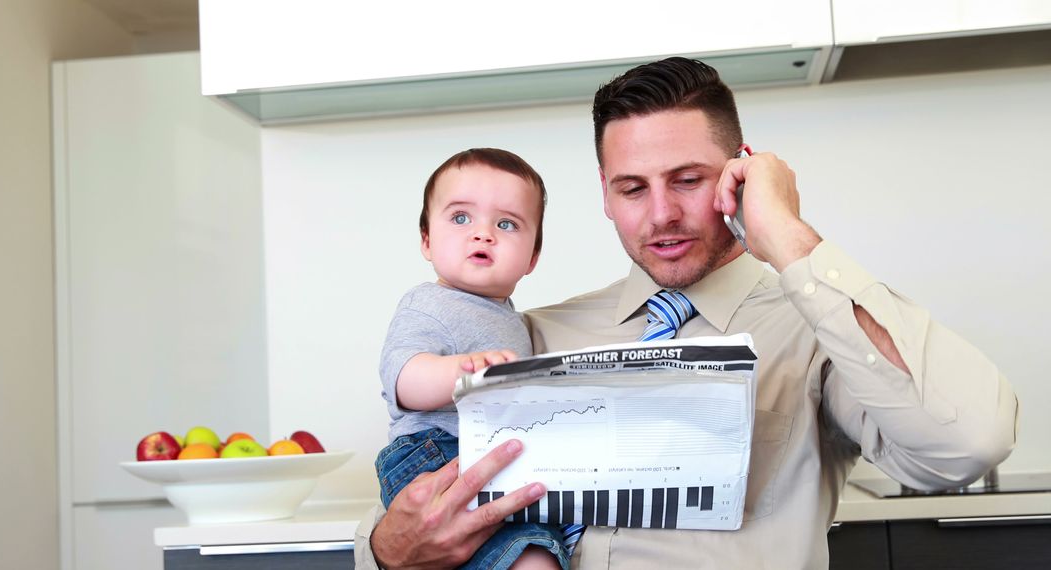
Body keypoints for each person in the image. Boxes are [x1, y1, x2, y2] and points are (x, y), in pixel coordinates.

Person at [356, 58, 1018, 568]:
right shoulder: (530, 334)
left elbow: (969, 445)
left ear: (739, 173)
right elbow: (425, 472)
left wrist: (783, 231)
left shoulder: (817, 329)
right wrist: (389, 547)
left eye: (688, 180)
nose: (663, 214)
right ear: (606, 198)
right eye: (633, 188)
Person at [374, 148, 569, 570]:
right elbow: (402, 380)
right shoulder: (427, 304)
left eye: (506, 224)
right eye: (461, 218)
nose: (483, 234)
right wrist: (463, 372)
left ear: (532, 257)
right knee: (526, 557)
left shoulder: (512, 319)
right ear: (426, 240)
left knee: (537, 554)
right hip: (433, 457)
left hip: (488, 458)